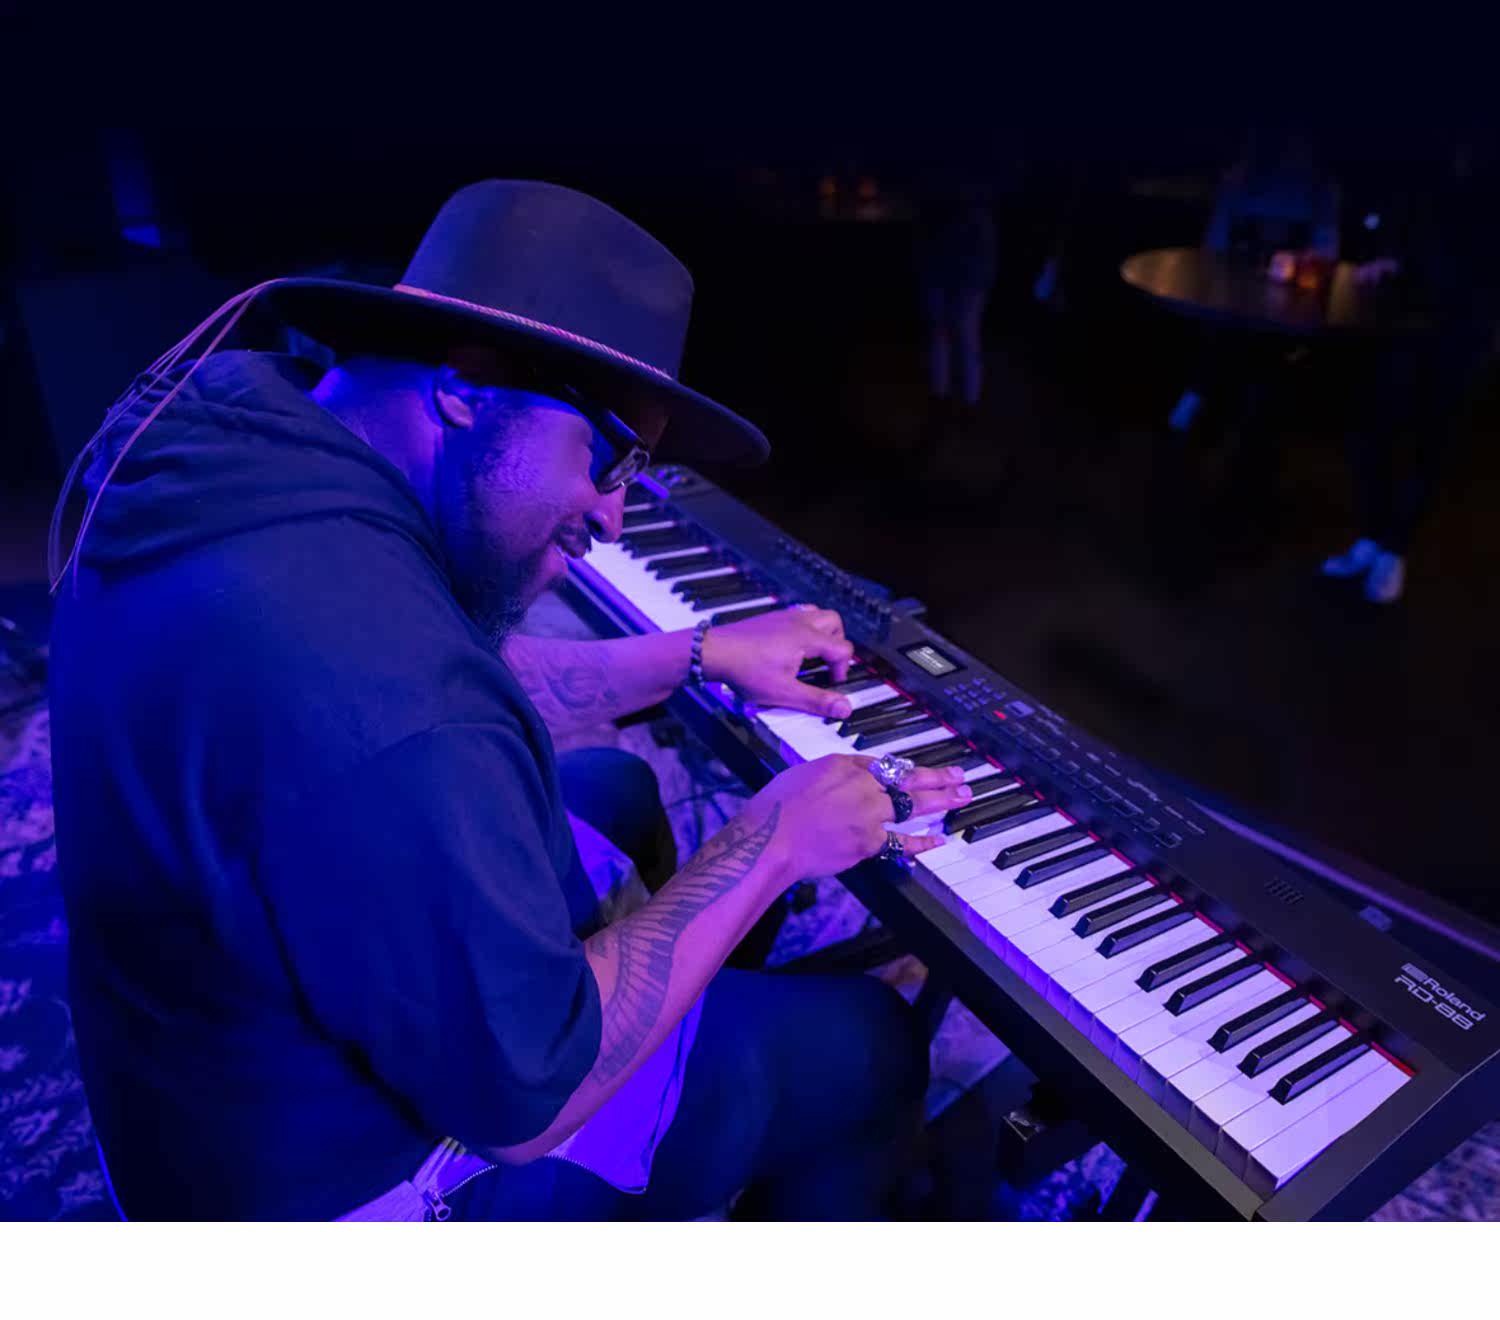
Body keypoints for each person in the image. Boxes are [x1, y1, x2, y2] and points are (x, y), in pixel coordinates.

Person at [46, 180, 975, 1220]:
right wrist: (772, 842)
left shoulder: (236, 444)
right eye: (611, 457)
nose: (614, 518)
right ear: (467, 386)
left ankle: (694, 1051)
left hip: (184, 1075)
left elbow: (425, 689)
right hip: (316, 1192)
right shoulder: (388, 690)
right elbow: (526, 1103)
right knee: (865, 1047)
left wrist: (698, 652)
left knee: (618, 790)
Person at [1321, 137, 1500, 603]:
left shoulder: (1480, 170)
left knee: (1431, 440)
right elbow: (1404, 219)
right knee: (1370, 432)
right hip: (1404, 318)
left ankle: (1393, 550)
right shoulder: (1429, 160)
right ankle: (1373, 538)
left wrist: (1402, 260)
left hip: (1466, 324)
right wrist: (1384, 257)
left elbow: (1473, 247)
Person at [913, 170, 998, 420]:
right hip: (941, 273)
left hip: (966, 277)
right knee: (944, 334)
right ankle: (945, 398)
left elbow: (984, 249)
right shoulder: (940, 206)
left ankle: (967, 402)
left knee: (962, 335)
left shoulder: (975, 210)